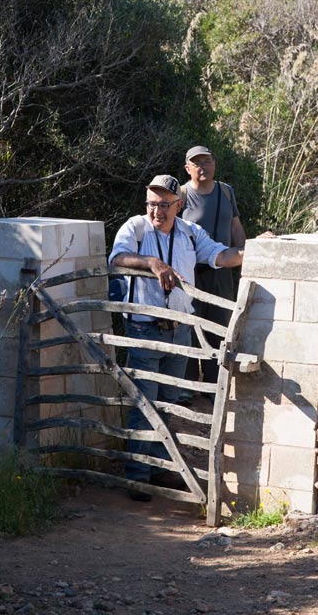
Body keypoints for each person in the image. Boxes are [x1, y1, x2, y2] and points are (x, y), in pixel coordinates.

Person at [108, 173, 243, 501]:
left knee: (167, 403)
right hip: (144, 328)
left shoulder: (190, 234)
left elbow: (220, 256)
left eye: (165, 205)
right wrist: (153, 263)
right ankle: (138, 476)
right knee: (145, 404)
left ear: (179, 205)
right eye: (152, 204)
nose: (157, 211)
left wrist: (253, 252)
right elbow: (117, 260)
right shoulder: (135, 228)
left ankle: (158, 468)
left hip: (180, 330)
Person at [181, 145, 246, 387]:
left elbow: (235, 226)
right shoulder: (181, 195)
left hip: (223, 272)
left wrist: (245, 254)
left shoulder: (226, 192)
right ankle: (187, 387)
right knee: (190, 326)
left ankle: (213, 387)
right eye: (196, 163)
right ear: (188, 168)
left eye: (207, 161)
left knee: (220, 328)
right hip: (192, 272)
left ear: (214, 163)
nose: (203, 167)